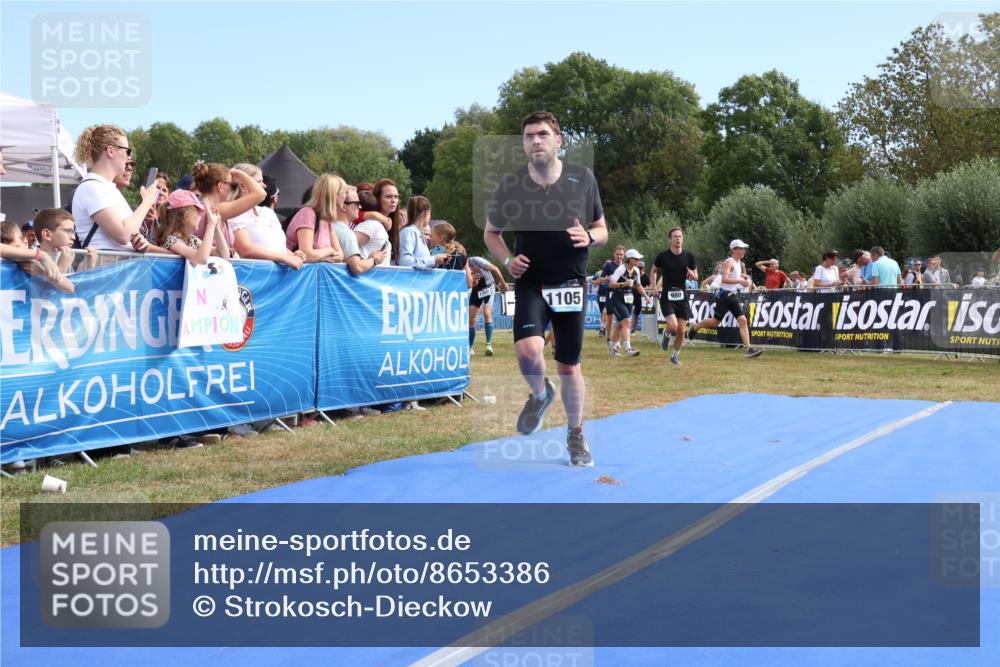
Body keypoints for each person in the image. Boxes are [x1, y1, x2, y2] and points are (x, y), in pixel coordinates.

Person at [483, 110, 608, 467]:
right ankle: (540, 393)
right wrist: (508, 261)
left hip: (570, 282)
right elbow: (491, 233)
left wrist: (591, 237)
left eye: (541, 134)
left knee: (569, 367)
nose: (535, 141)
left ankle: (576, 434)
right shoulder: (511, 184)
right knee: (527, 351)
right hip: (531, 282)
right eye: (528, 136)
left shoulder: (582, 178)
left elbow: (601, 228)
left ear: (558, 140)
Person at [71, 124, 157, 252]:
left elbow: (127, 234)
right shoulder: (92, 187)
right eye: (127, 151)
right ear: (110, 151)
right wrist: (147, 202)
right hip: (104, 269)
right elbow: (123, 234)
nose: (129, 157)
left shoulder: (106, 188)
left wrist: (139, 243)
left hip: (115, 268)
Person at [688, 239, 763, 359]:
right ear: (734, 250)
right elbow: (724, 279)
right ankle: (695, 326)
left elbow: (734, 276)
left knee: (742, 320)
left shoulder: (738, 263)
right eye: (741, 248)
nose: (744, 250)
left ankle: (748, 349)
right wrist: (739, 280)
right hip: (724, 295)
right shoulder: (729, 261)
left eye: (744, 248)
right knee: (715, 321)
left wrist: (743, 278)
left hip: (731, 295)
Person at [228, 164, 303, 269]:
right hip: (254, 277)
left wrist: (294, 255)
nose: (264, 186)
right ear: (243, 185)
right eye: (259, 181)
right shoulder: (234, 213)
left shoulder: (267, 212)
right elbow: (245, 249)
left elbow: (277, 248)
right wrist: (285, 258)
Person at [191, 162, 266, 256]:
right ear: (220, 186)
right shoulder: (217, 209)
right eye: (233, 186)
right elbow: (260, 194)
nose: (232, 190)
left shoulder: (201, 208)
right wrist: (240, 173)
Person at [650, 226, 697, 366]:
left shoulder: (689, 256)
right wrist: (654, 288)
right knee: (673, 325)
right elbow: (653, 270)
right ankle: (666, 332)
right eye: (675, 236)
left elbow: (695, 276)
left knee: (682, 330)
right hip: (667, 296)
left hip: (682, 297)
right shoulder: (663, 256)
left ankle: (674, 357)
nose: (678, 239)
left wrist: (692, 275)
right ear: (670, 239)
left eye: (680, 236)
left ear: (683, 238)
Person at [157, 189, 230, 264]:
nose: (200, 217)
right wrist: (210, 225)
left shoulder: (192, 239)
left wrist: (216, 226)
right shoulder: (172, 240)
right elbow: (201, 259)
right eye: (198, 213)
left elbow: (224, 255)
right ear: (187, 216)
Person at [285, 173, 345, 263]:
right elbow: (307, 255)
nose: (345, 196)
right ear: (334, 195)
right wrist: (329, 250)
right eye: (344, 192)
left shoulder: (326, 220)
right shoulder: (308, 214)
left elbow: (340, 256)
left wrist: (319, 257)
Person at [607, 249, 646, 357]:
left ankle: (612, 350)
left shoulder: (636, 271)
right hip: (617, 299)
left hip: (629, 299)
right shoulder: (621, 269)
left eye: (639, 259)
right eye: (636, 259)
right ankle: (628, 348)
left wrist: (646, 296)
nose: (639, 260)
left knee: (620, 325)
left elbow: (638, 285)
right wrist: (623, 284)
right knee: (627, 321)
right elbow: (611, 284)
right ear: (630, 259)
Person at [468, 256, 510, 357]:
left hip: (488, 287)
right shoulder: (462, 266)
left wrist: (503, 284)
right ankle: (470, 347)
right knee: (471, 320)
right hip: (476, 289)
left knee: (487, 313)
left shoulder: (477, 261)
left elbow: (495, 269)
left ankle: (488, 345)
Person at [1, 222, 66, 286]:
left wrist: (41, 272)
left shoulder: (34, 264)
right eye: (10, 250)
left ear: (24, 241)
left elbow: (50, 290)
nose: (13, 254)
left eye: (16, 248)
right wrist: (41, 255)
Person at [398, 196, 450, 269]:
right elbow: (404, 261)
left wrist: (438, 260)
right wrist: (433, 259)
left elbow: (425, 264)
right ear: (426, 212)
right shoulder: (409, 231)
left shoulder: (418, 232)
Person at [597, 246, 624, 338]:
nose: (619, 256)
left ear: (623, 256)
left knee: (623, 318)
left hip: (622, 294)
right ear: (614, 254)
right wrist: (608, 278)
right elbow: (600, 280)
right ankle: (609, 338)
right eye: (617, 254)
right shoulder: (609, 266)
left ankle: (618, 339)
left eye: (621, 254)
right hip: (611, 293)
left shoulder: (625, 266)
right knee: (610, 317)